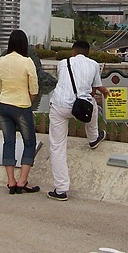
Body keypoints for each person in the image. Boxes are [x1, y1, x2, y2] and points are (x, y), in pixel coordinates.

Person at [47, 40, 109, 201]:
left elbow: (64, 81)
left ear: (73, 51)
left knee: (57, 147)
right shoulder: (94, 64)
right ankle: (93, 137)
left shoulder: (62, 63)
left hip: (59, 105)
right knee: (93, 104)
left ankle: (61, 189)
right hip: (80, 107)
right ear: (88, 53)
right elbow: (93, 89)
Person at [0, 29, 40, 195]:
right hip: (21, 105)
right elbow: (34, 88)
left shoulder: (0, 60)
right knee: (29, 143)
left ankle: (11, 181)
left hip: (4, 104)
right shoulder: (27, 61)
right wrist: (27, 99)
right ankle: (22, 181)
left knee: (9, 142)